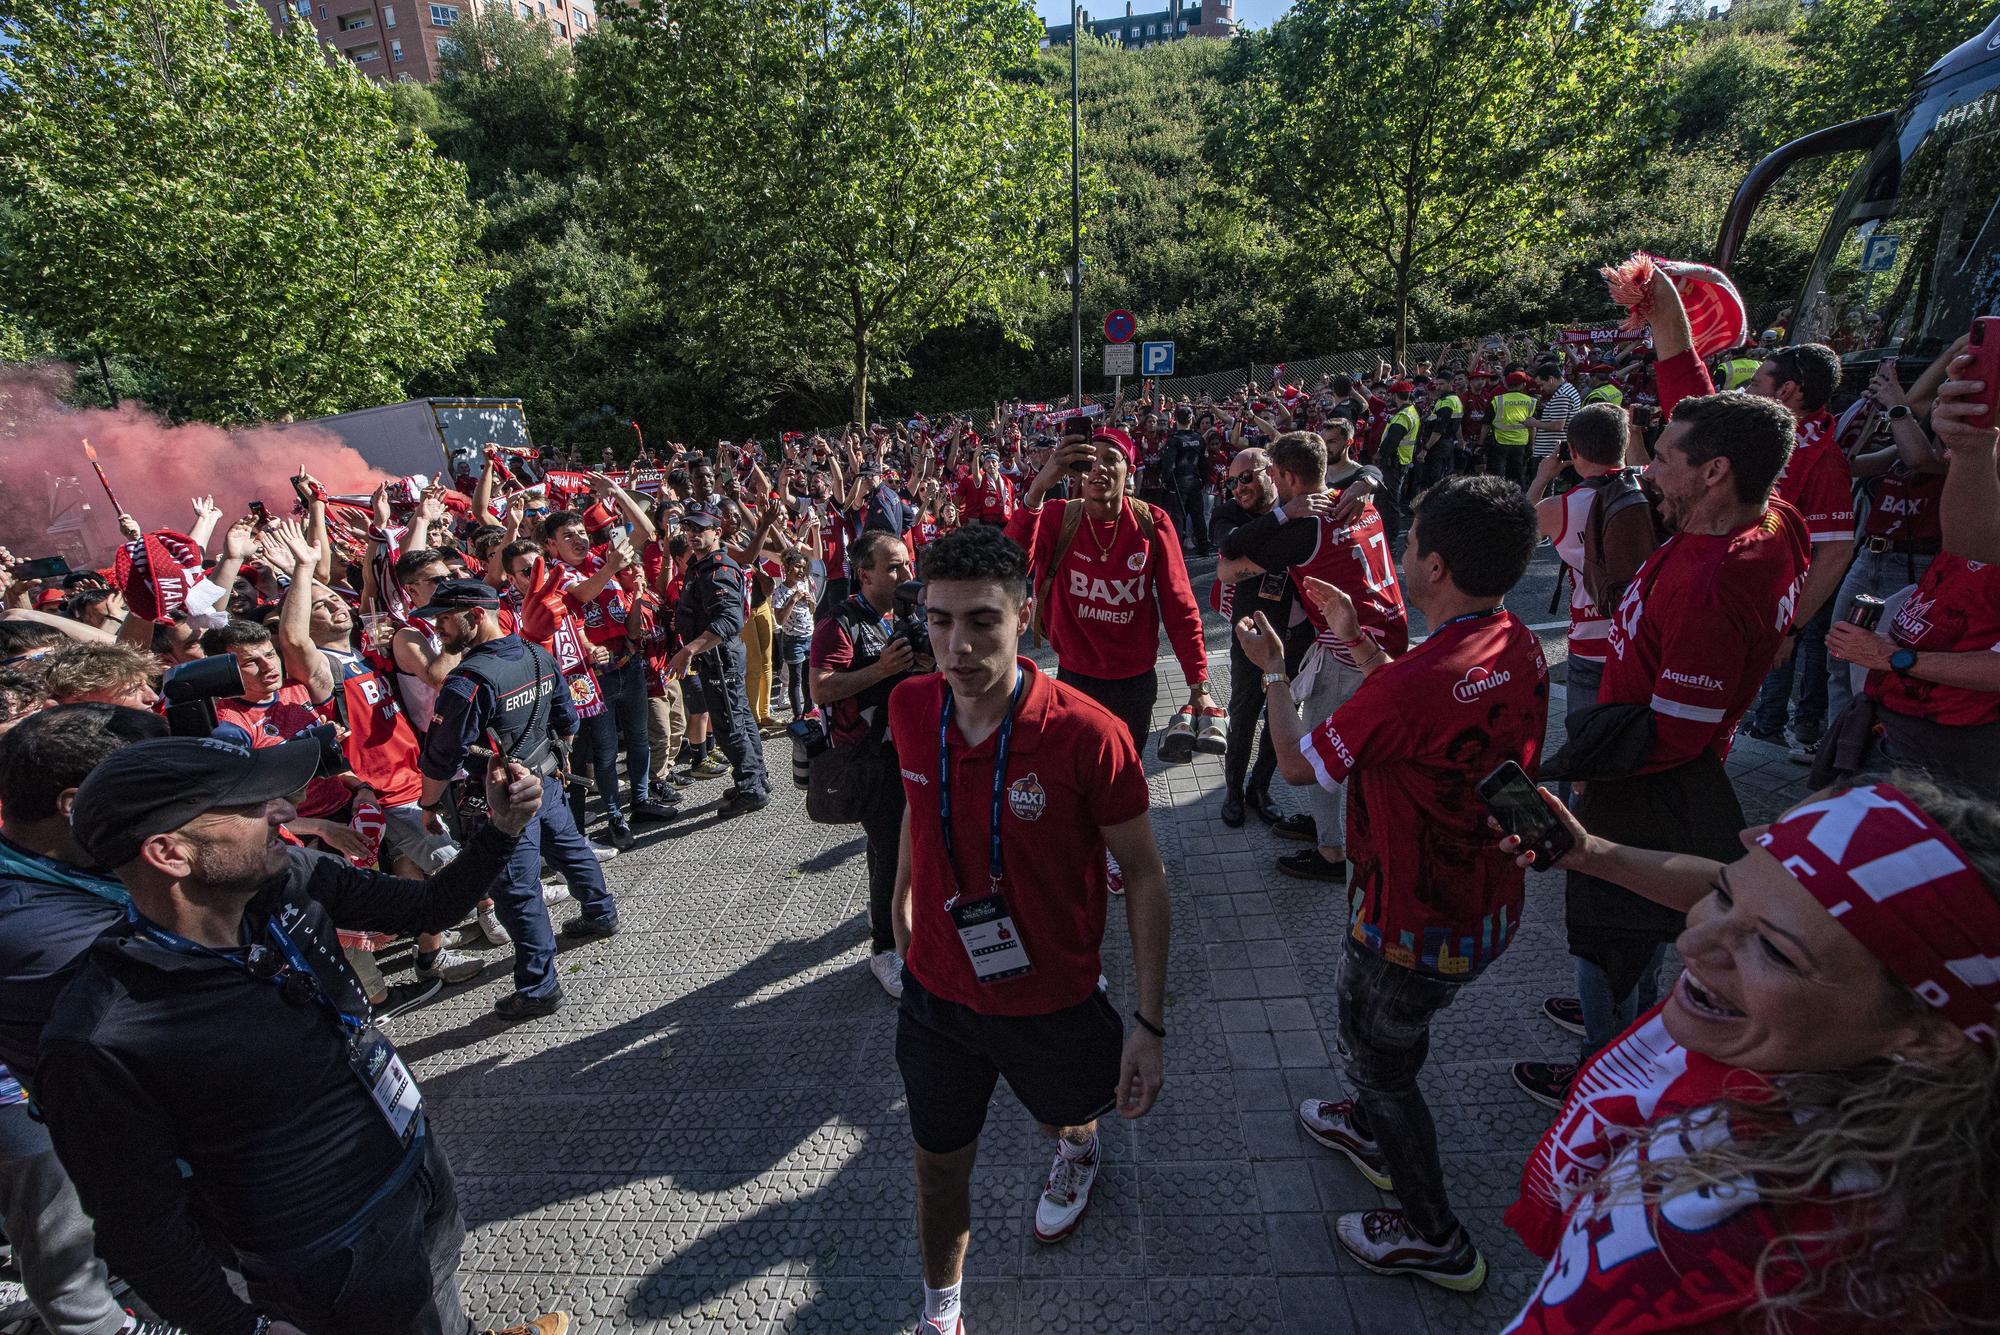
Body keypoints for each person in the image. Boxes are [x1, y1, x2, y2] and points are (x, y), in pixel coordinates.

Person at [35, 734, 567, 1335]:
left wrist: (502, 827)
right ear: (168, 853)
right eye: (249, 807)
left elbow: (430, 907)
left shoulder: (293, 877)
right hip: (330, 1252)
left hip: (410, 1158)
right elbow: (143, 1231)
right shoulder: (99, 1036)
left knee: (438, 1288)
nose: (285, 813)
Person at [1494, 775, 1999, 1333]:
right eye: (1727, 896)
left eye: (1775, 952)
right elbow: (1772, 902)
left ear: (1930, 1032)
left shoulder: (1746, 1252)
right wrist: (1590, 853)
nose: (1692, 945)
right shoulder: (1834, 1056)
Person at [1238, 474, 1546, 1292]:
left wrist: (1273, 670)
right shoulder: (1513, 639)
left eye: (1407, 543)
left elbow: (1303, 767)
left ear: (1435, 566)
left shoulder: (1415, 684)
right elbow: (1421, 708)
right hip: (1485, 908)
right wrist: (1359, 643)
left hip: (1408, 919)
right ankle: (1371, 1126)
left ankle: (1435, 1235)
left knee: (1379, 1057)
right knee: (1400, 1034)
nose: (1397, 551)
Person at [889, 525, 1167, 1335]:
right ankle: (943, 1313)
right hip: (937, 995)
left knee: (1063, 1115)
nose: (957, 644)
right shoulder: (911, 706)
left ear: (1027, 619)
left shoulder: (1088, 733)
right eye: (939, 621)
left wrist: (1148, 1023)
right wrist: (903, 906)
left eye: (982, 620)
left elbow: (1146, 875)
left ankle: (1076, 1146)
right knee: (938, 1167)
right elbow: (915, 802)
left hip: (1053, 995)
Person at [1515, 365, 1810, 1109]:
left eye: (1665, 459)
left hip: (1647, 778)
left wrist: (1590, 779)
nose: (1649, 469)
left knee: (1610, 916)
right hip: (1660, 756)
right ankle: (1617, 1018)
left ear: (1715, 473)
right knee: (1637, 926)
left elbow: (1674, 733)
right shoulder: (1774, 519)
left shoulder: (1711, 584)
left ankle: (1600, 1068)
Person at [0, 704, 177, 1335]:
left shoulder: (74, 863)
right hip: (21, 1102)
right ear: (75, 806)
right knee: (60, 1242)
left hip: (94, 1111)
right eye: (144, 792)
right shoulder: (28, 924)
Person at [417, 579, 620, 1021]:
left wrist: (428, 807)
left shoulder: (466, 682)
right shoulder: (536, 653)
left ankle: (538, 987)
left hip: (504, 800)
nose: (437, 629)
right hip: (545, 779)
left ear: (476, 615)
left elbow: (439, 757)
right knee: (570, 847)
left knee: (516, 891)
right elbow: (567, 719)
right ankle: (601, 913)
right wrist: (555, 762)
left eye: (444, 619)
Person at [1218, 425, 1403, 883]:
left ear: (1282, 475)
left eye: (1260, 477)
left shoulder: (1307, 525)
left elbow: (1228, 558)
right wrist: (1366, 482)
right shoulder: (1355, 499)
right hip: (1387, 636)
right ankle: (1257, 800)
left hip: (1347, 647)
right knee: (1364, 742)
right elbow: (1374, 473)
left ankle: (1332, 850)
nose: (1242, 487)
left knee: (1322, 753)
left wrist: (1288, 517)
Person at [1007, 424, 1210, 755]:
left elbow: (1179, 605)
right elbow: (1008, 565)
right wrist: (1039, 487)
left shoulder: (1152, 522)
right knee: (1075, 774)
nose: (1098, 468)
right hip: (1075, 678)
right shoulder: (1058, 517)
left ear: (1129, 470)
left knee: (1124, 773)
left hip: (1135, 682)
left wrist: (1198, 682)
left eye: (1110, 459)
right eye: (1089, 459)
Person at [809, 531, 924, 999]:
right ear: (865, 573)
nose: (905, 574)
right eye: (894, 566)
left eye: (907, 563)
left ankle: (893, 923)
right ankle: (885, 950)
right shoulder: (841, 623)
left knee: (890, 848)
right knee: (893, 851)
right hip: (870, 760)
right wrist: (881, 669)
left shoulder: (905, 611)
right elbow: (820, 688)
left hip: (909, 751)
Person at [1526, 402, 1659, 771]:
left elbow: (1511, 535)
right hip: (1645, 634)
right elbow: (1641, 464)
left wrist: (1541, 477)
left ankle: (1581, 818)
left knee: (1584, 751)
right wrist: (1634, 434)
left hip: (1592, 638)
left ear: (1571, 451)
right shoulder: (1649, 489)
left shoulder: (1558, 508)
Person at [1741, 342, 1854, 758]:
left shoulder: (1823, 461)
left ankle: (1776, 725)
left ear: (1786, 391)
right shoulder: (1766, 441)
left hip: (1778, 606)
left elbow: (1836, 554)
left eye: (1755, 383)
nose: (1747, 391)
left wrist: (1789, 627)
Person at [1209, 447, 1307, 830]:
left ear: (1272, 472)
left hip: (1298, 628)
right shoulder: (1230, 511)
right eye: (1232, 481)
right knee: (1245, 709)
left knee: (1281, 711)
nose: (1238, 488)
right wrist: (1285, 519)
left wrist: (1366, 480)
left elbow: (1357, 471)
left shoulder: (1297, 495)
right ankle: (1233, 791)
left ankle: (1259, 789)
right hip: (1251, 630)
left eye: (1246, 477)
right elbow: (1230, 546)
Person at [668, 506, 770, 814]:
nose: (693, 535)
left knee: (730, 725)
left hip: (719, 657)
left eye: (700, 529)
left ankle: (751, 787)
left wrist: (689, 649)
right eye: (689, 530)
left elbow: (728, 620)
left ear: (717, 532)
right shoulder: (700, 566)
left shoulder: (717, 570)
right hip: (717, 658)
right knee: (739, 717)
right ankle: (756, 777)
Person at [1487, 371, 1537, 486]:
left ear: (1506, 385)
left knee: (1496, 478)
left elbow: (1486, 424)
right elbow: (1532, 425)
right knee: (1517, 477)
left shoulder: (1497, 400)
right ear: (1523, 385)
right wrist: (1532, 444)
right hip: (1520, 445)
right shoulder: (1530, 401)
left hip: (1500, 443)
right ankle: (1518, 501)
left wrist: (1480, 443)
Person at [1528, 362, 1582, 461]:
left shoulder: (1561, 395)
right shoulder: (1568, 389)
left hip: (1551, 453)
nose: (1541, 389)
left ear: (1551, 379)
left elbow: (1557, 425)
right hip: (1557, 450)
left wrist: (1534, 423)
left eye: (1542, 384)